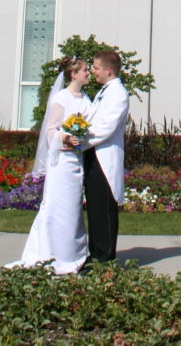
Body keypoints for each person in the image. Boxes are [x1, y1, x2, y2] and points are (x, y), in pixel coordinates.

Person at [7, 56, 92, 274]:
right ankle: (51, 253)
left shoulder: (85, 98)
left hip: (77, 160)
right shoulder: (61, 98)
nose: (88, 74)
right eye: (85, 71)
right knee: (58, 206)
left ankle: (73, 253)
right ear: (74, 74)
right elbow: (50, 131)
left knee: (73, 208)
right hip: (62, 162)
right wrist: (65, 138)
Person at [74, 51, 129, 265]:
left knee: (104, 205)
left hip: (104, 156)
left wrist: (82, 139)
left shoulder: (118, 93)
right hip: (93, 154)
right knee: (95, 205)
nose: (93, 72)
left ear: (108, 70)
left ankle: (105, 255)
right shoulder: (104, 92)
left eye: (96, 68)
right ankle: (95, 251)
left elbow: (107, 126)